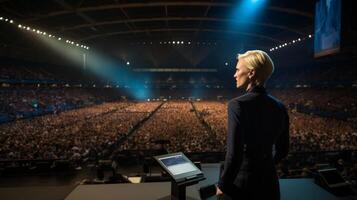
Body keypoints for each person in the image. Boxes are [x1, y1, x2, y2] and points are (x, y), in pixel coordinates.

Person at [216, 50, 290, 199]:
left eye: (237, 70)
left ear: (251, 73)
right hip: (270, 183)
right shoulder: (280, 107)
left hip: (243, 184)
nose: (234, 75)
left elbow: (234, 154)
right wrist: (264, 165)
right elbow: (283, 150)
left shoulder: (237, 105)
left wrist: (223, 186)